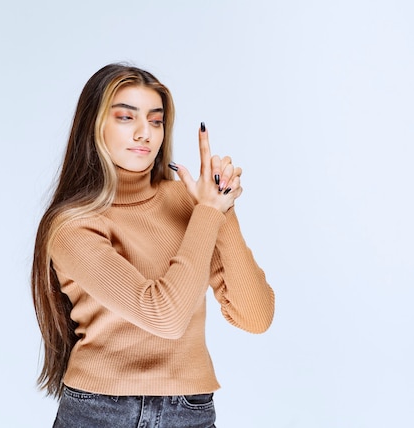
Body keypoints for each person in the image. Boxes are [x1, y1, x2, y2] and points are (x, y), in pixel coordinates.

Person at [31, 63, 275, 427]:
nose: (145, 133)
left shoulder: (188, 202)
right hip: (99, 413)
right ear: (94, 126)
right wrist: (208, 210)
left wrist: (223, 208)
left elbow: (255, 317)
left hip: (189, 412)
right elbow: (164, 315)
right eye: (126, 118)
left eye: (156, 121)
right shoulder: (73, 226)